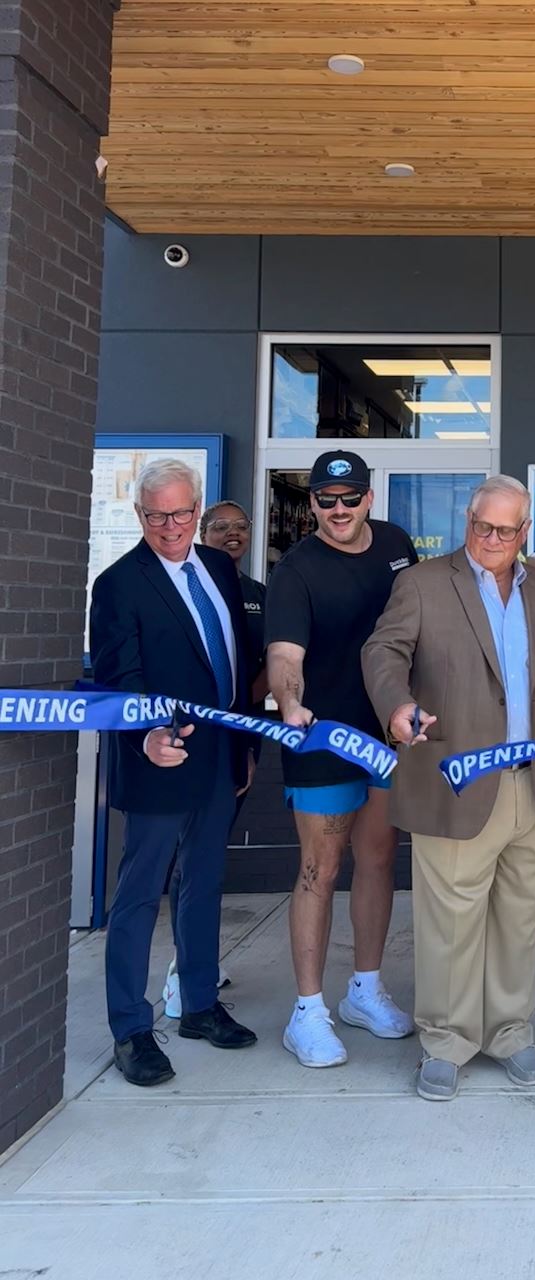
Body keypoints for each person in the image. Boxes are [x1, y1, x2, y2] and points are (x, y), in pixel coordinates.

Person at [362, 475, 535, 1102]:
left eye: (504, 530)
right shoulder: (422, 583)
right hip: (457, 780)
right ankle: (446, 1041)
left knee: (519, 920)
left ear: (525, 532)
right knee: (451, 924)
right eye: (480, 526)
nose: (489, 539)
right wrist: (397, 706)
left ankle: (512, 1033)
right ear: (468, 521)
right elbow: (384, 652)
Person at [89, 458, 257, 1086]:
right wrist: (145, 736)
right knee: (138, 895)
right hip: (159, 758)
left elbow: (235, 661)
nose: (170, 526)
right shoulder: (118, 584)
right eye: (156, 515)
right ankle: (131, 1028)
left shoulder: (218, 567)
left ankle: (198, 1005)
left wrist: (245, 747)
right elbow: (117, 682)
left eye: (182, 513)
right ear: (139, 516)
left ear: (198, 511)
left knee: (204, 884)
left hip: (220, 758)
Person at [266, 450, 417, 1068]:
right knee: (319, 871)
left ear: (368, 500)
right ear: (311, 506)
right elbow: (284, 658)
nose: (337, 510)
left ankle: (365, 988)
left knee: (378, 860)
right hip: (322, 738)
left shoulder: (397, 545)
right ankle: (307, 1011)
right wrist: (289, 704)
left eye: (348, 498)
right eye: (325, 500)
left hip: (385, 735)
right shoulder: (296, 570)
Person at [162, 499, 269, 1020]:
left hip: (236, 742)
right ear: (203, 532)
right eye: (220, 527)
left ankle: (199, 962)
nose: (231, 534)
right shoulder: (183, 584)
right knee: (184, 858)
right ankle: (183, 969)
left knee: (208, 857)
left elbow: (269, 665)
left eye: (240, 527)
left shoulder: (254, 595)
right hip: (179, 741)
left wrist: (241, 727)